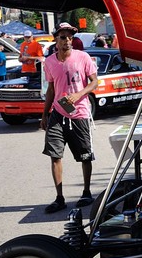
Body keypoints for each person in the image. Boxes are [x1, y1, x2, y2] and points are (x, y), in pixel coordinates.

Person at [41, 23, 99, 214]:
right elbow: (50, 89)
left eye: (69, 37)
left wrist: (79, 94)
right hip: (58, 113)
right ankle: (59, 198)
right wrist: (45, 114)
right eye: (63, 37)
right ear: (55, 40)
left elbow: (95, 82)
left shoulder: (83, 58)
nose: (67, 40)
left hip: (79, 112)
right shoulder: (49, 62)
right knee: (55, 155)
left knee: (85, 155)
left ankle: (86, 192)